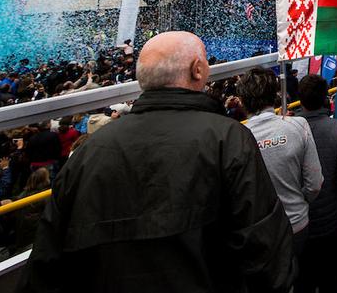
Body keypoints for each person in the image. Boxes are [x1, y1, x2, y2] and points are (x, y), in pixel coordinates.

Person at [21, 31, 295, 293]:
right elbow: (265, 250)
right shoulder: (228, 139)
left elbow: (45, 266)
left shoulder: (88, 152)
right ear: (198, 70)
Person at [241, 67, 323, 259]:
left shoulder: (235, 135)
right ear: (275, 95)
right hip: (297, 224)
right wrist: (297, 201)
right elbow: (314, 184)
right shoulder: (298, 125)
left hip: (258, 234)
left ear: (243, 101)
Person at [295, 75, 337, 293]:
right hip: (333, 226)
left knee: (303, 284)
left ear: (300, 100)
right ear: (326, 98)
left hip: (301, 229)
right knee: (331, 285)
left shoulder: (290, 130)